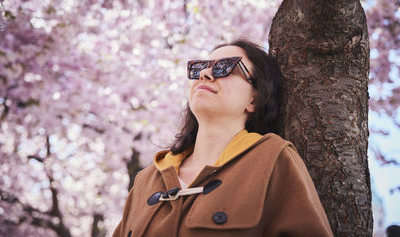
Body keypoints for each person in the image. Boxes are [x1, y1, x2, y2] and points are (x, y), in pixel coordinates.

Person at [113, 39, 334, 237]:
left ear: (254, 99)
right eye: (199, 68)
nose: (204, 75)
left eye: (224, 67)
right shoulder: (146, 179)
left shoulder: (273, 158)